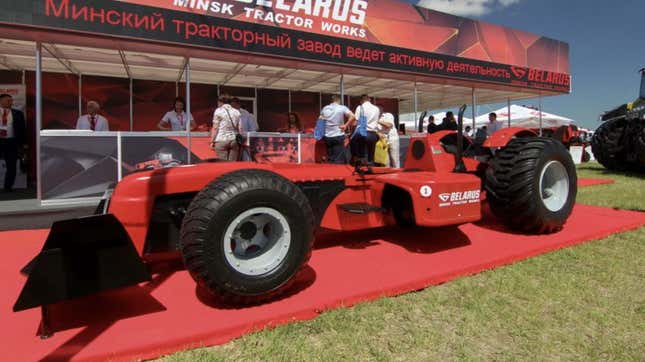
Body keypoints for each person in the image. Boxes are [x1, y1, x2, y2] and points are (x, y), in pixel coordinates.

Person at [344, 94, 380, 165]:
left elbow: (356, 122)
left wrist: (349, 124)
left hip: (363, 133)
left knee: (352, 140)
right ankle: (371, 165)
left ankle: (356, 158)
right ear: (369, 99)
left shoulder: (360, 107)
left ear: (361, 101)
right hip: (373, 134)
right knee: (371, 154)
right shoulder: (376, 108)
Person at [0, 94, 26, 192]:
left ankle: (8, 187)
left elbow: (23, 129)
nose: (11, 102)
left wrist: (24, 143)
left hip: (12, 142)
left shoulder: (18, 113)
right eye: (8, 101)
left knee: (12, 166)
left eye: (11, 101)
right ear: (1, 101)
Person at [320, 94, 355, 164]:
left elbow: (320, 119)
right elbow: (353, 116)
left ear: (331, 100)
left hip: (327, 136)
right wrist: (345, 125)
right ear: (339, 100)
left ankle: (331, 173)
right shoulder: (342, 108)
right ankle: (337, 174)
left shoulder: (325, 108)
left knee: (330, 157)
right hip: (338, 134)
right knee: (338, 159)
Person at [210, 95, 242, 161]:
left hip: (221, 139)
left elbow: (215, 128)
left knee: (223, 164)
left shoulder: (218, 111)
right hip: (233, 140)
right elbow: (240, 128)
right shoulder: (236, 112)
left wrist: (212, 141)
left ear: (220, 102)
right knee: (232, 164)